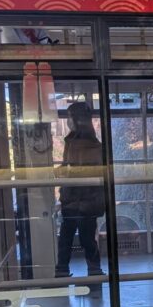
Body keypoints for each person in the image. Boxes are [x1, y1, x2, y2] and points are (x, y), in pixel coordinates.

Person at [55, 101, 105, 279]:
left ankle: (63, 269)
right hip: (83, 199)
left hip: (78, 198)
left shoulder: (77, 143)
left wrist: (63, 173)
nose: (68, 121)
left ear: (78, 119)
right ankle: (93, 269)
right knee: (84, 237)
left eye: (70, 117)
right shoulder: (92, 144)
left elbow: (81, 171)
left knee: (69, 237)